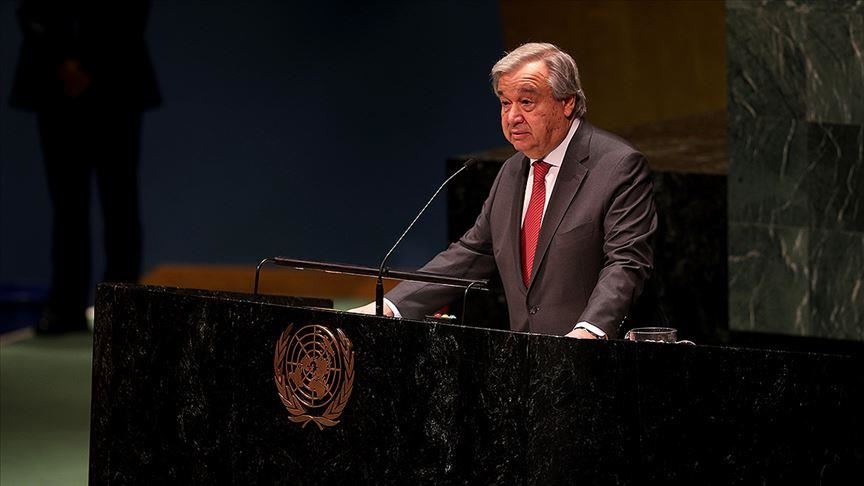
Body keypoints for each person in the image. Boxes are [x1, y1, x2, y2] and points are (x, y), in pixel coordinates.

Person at [354, 43, 657, 339]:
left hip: (597, 359)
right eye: (505, 103)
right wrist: (390, 306)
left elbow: (626, 262)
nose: (512, 117)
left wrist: (589, 330)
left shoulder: (617, 166)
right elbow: (473, 253)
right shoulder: (512, 171)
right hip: (525, 358)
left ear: (567, 103)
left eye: (526, 102)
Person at [9, 0, 161, 333]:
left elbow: (132, 12)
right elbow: (30, 10)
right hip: (54, 89)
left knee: (119, 202)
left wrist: (90, 66)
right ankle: (66, 305)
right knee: (66, 205)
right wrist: (61, 63)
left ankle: (122, 309)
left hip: (118, 83)